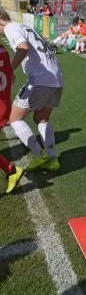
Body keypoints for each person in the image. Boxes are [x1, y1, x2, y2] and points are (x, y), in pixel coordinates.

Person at [0, 7, 63, 171]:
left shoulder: (10, 28)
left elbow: (23, 47)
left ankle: (39, 155)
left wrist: (9, 69)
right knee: (41, 119)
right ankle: (52, 158)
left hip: (41, 80)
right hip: (56, 78)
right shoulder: (23, 26)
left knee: (14, 118)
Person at [0, 45, 23, 193]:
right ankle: (11, 170)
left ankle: (12, 170)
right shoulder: (4, 51)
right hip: (4, 104)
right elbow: (12, 78)